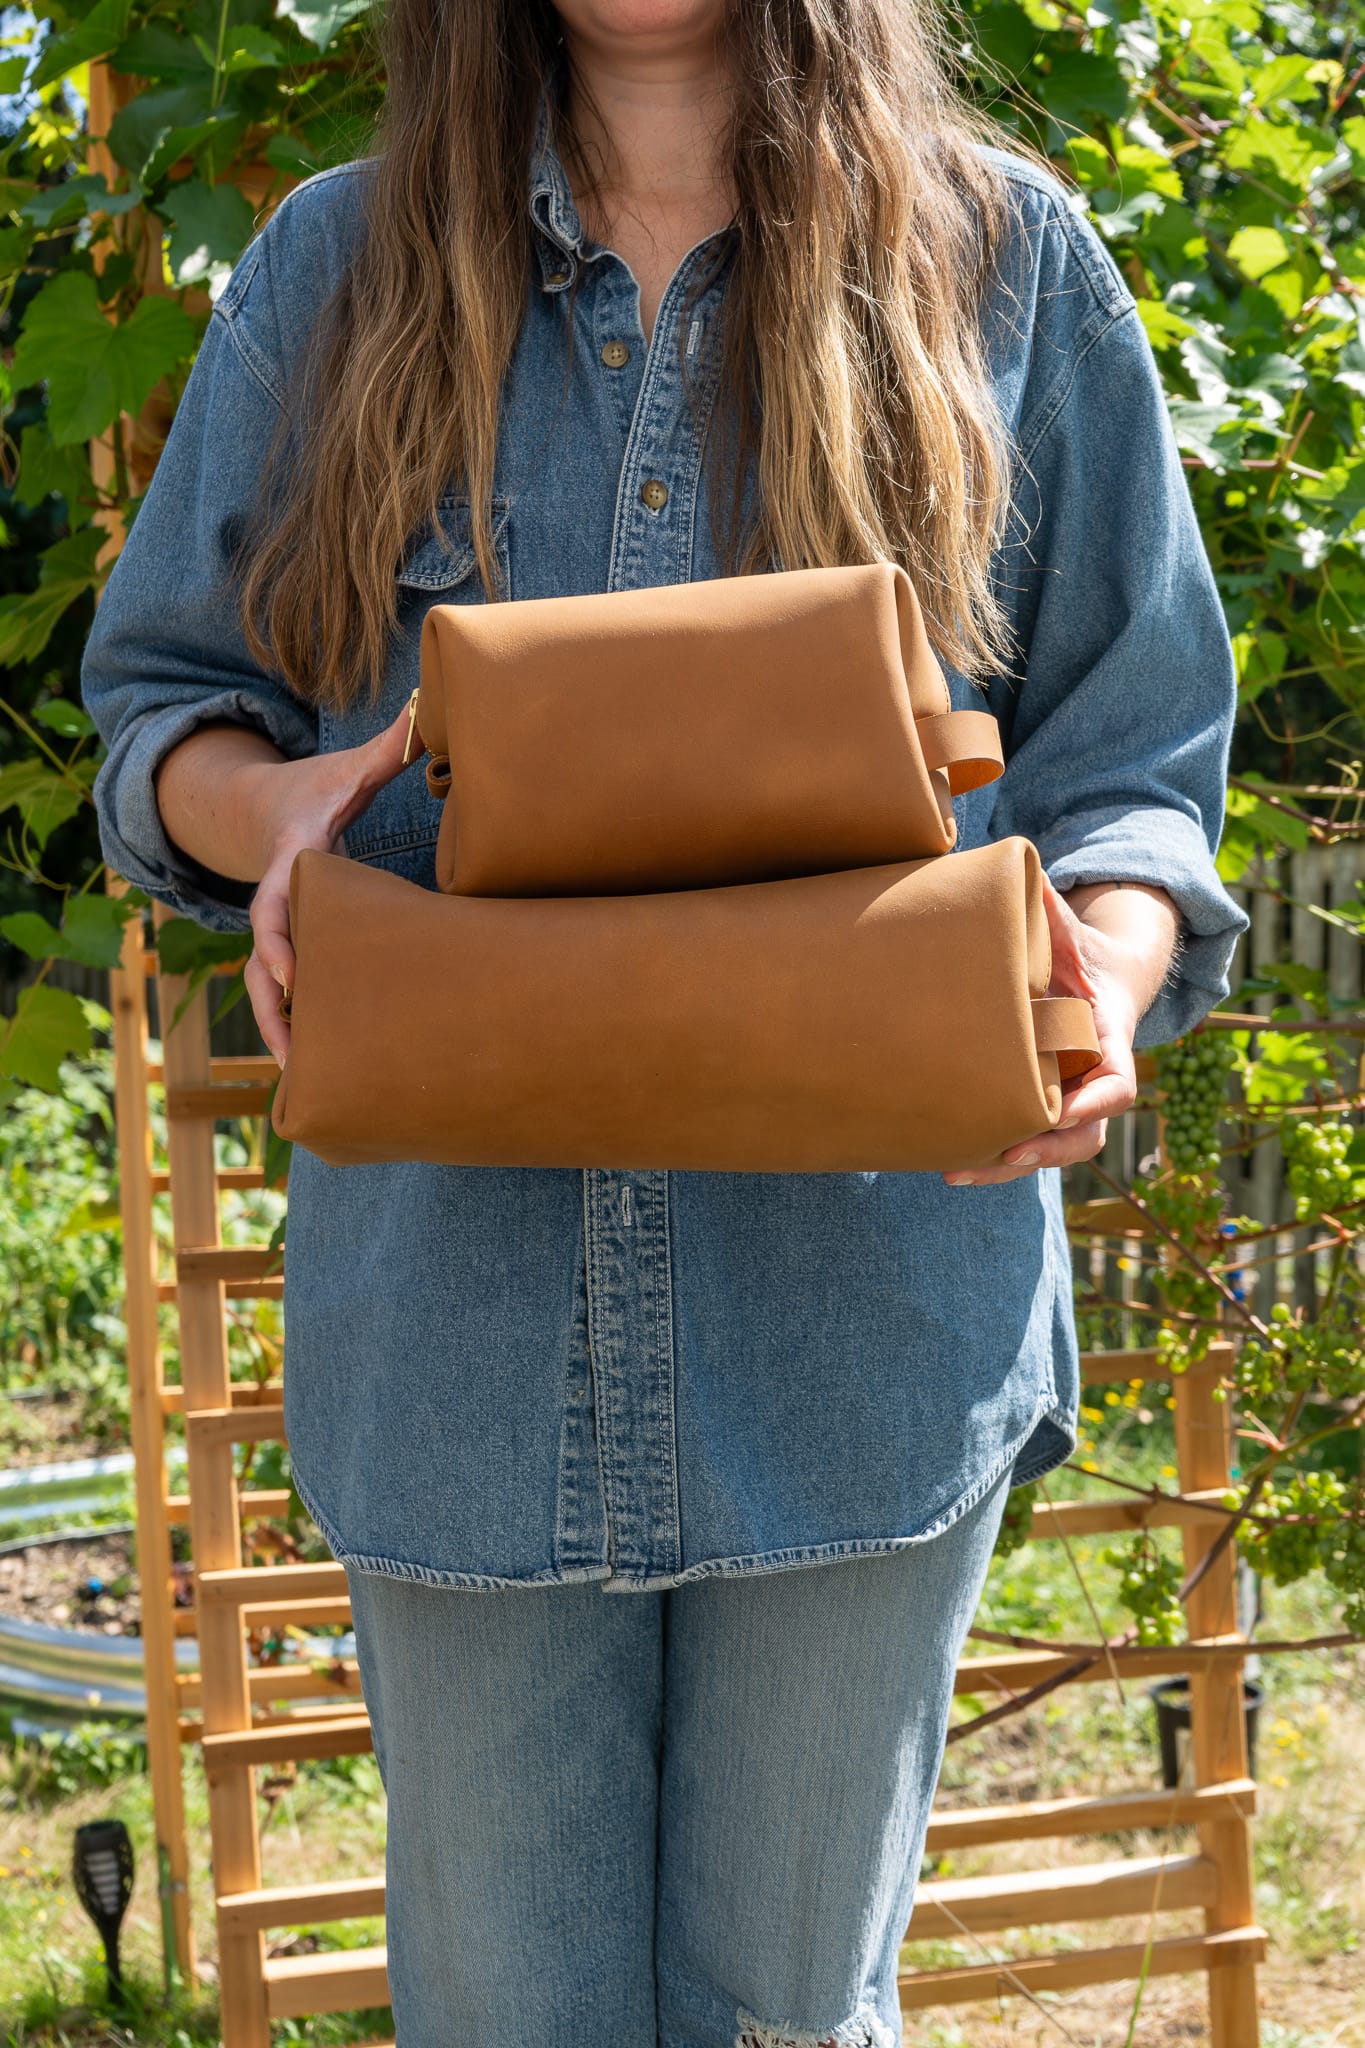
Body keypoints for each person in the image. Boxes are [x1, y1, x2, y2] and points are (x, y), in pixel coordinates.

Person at [79, 1, 1250, 2041]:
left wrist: (1105, 977)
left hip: (866, 1315)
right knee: (503, 2014)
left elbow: (1136, 753)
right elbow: (163, 701)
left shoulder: (1006, 262)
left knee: (790, 2010)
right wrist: (270, 812)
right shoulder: (331, 270)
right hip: (454, 1325)